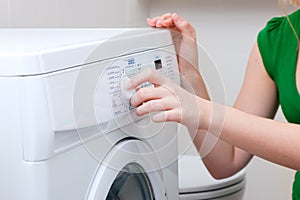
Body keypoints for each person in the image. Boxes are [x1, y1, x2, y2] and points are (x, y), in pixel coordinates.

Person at [126, 0, 300, 199]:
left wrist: (205, 111)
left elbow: (212, 117)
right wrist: (189, 75)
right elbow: (227, 161)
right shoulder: (277, 39)